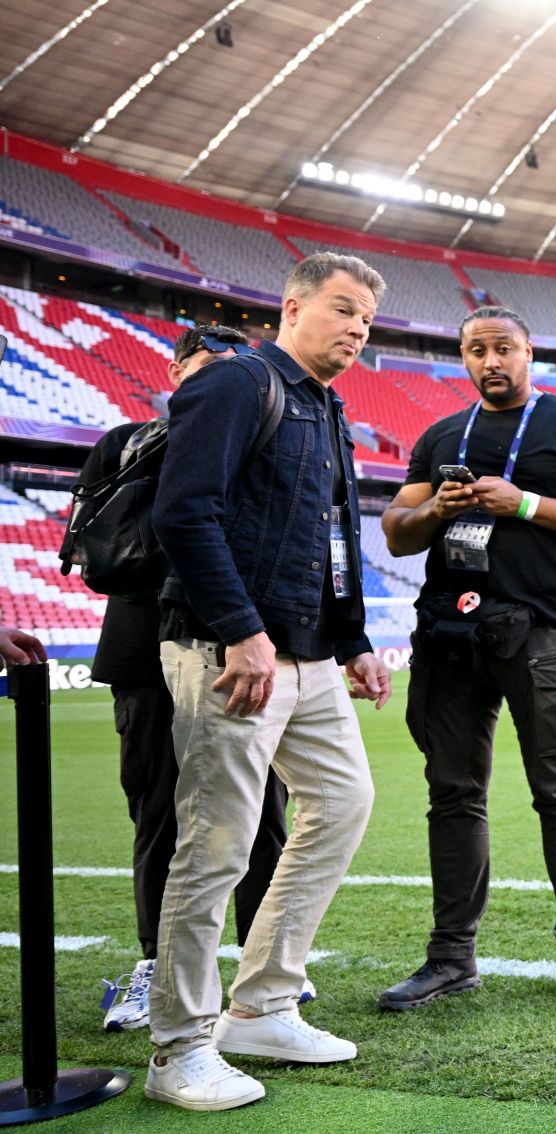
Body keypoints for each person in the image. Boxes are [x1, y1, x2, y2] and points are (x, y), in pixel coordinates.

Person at [143, 253, 392, 1113]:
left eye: (368, 319)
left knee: (344, 800)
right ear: (291, 307)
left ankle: (260, 1005)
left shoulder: (328, 406)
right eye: (344, 309)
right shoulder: (238, 385)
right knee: (216, 842)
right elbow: (183, 511)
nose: (358, 328)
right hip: (231, 651)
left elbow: (331, 537)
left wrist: (353, 638)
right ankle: (177, 1048)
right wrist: (240, 630)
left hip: (309, 652)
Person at [377, 305, 556, 1014]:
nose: (490, 361)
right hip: (451, 637)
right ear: (462, 359)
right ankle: (450, 958)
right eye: (475, 350)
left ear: (530, 352)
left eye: (503, 348)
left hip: (547, 635)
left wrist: (524, 504)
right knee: (452, 795)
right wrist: (438, 508)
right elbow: (398, 533)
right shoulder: (440, 435)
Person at [81, 325, 311, 1034]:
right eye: (204, 369)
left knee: (263, 816)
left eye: (232, 372)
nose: (218, 383)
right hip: (142, 648)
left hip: (233, 647)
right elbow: (100, 548)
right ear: (176, 372)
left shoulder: (264, 438)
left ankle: (263, 970)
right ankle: (157, 963)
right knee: (158, 811)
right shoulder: (126, 439)